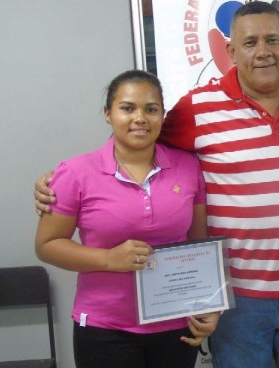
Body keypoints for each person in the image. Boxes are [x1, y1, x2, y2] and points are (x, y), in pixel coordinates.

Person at [35, 2, 279, 368]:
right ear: (230, 51)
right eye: (250, 42)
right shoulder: (198, 107)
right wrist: (62, 180)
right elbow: (140, 143)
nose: (263, 52)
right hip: (239, 298)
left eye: (273, 40)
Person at [34, 70, 220, 368]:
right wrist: (109, 259)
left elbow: (198, 245)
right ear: (108, 113)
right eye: (127, 108)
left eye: (151, 109)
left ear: (162, 115)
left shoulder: (187, 168)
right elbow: (47, 245)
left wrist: (211, 305)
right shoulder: (76, 172)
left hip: (176, 327)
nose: (140, 118)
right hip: (104, 329)